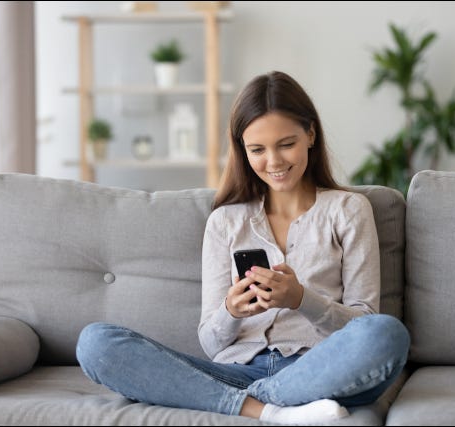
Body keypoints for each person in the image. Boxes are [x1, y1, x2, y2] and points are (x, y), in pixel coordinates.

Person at [76, 71, 410, 424]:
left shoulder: (348, 210)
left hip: (319, 370)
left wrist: (300, 299)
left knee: (386, 334)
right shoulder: (225, 222)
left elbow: (364, 322)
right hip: (236, 372)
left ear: (310, 135)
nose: (274, 162)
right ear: (242, 150)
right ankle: (271, 411)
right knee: (96, 343)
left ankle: (255, 401)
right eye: (257, 150)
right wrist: (231, 311)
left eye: (286, 144)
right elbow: (212, 342)